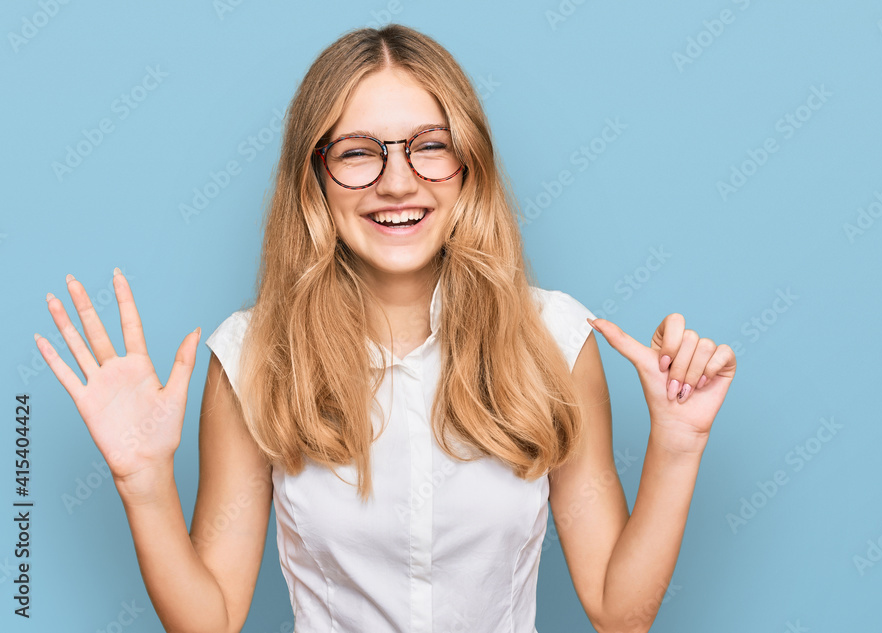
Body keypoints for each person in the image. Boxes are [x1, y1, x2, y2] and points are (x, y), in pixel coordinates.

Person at [35, 24, 736, 633]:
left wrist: (679, 443)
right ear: (315, 176)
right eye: (358, 151)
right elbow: (210, 618)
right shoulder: (253, 357)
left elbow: (621, 610)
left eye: (429, 146)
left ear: (469, 168)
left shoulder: (553, 339)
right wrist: (146, 481)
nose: (398, 182)